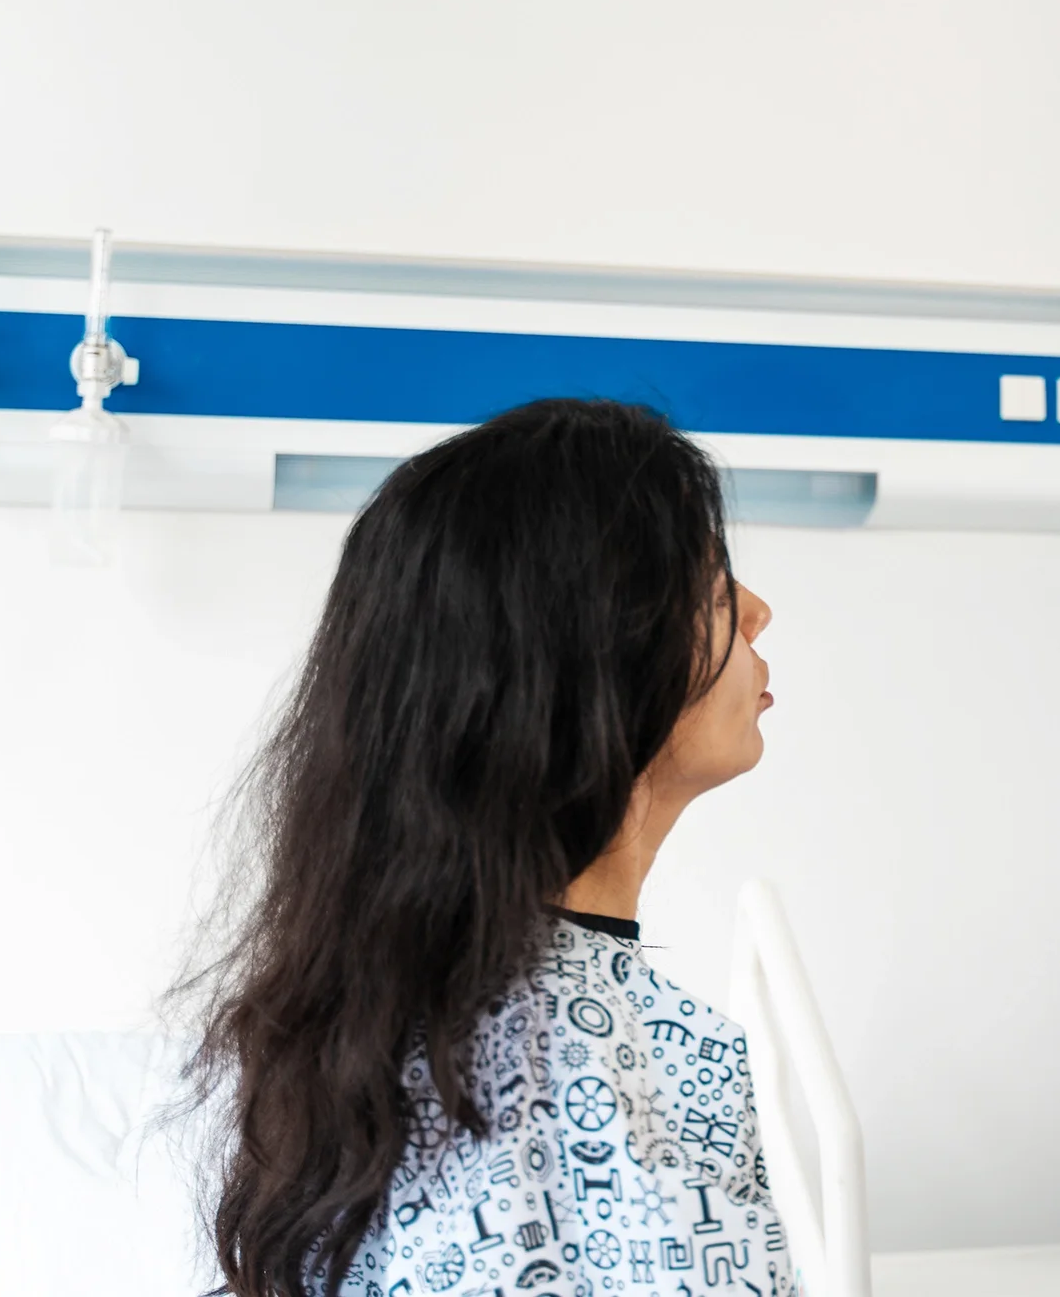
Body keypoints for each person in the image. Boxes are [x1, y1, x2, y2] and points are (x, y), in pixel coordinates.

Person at [177, 398, 795, 1297]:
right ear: (589, 664)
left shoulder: (402, 1023)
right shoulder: (573, 1082)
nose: (757, 611)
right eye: (708, 588)